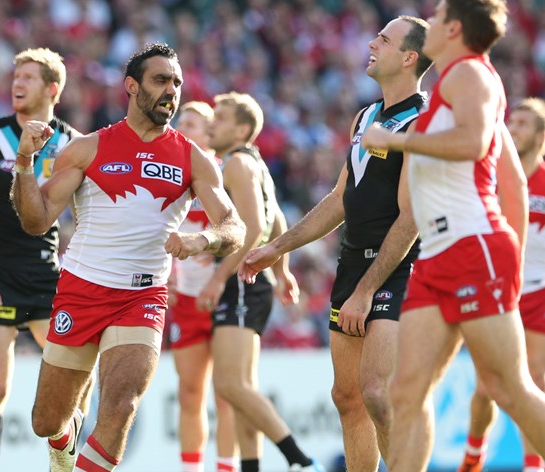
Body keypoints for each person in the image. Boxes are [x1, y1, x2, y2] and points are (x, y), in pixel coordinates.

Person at [12, 43, 245, 472]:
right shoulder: (88, 148)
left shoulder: (192, 157)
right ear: (131, 86)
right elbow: (36, 220)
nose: (171, 91)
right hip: (81, 290)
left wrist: (203, 240)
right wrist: (25, 162)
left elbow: (234, 226)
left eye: (176, 82)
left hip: (142, 297)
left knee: (121, 405)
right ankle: (65, 439)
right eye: (160, 81)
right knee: (46, 421)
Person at [239, 16, 432, 471]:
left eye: (383, 40)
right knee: (347, 398)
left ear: (408, 57)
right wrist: (278, 247)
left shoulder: (422, 124)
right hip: (351, 263)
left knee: (377, 392)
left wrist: (366, 291)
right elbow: (341, 198)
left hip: (399, 269)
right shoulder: (365, 117)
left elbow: (412, 218)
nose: (371, 43)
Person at [359, 1, 545, 469]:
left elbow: (472, 143)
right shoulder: (457, 84)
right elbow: (516, 184)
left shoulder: (470, 76)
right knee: (407, 390)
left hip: (472, 245)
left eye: (439, 16)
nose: (431, 22)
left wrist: (397, 139)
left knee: (509, 387)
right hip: (440, 255)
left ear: (455, 28)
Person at [0, 47, 85, 472]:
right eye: (16, 76)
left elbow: (87, 220)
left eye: (29, 77)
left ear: (52, 88)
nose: (17, 83)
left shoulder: (73, 144)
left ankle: (63, 455)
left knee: (78, 373)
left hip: (49, 278)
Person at [204, 92, 318, 472]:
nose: (211, 123)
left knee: (230, 386)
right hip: (257, 279)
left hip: (240, 281)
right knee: (242, 388)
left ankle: (299, 459)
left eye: (219, 118)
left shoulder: (236, 162)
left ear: (241, 129)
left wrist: (219, 278)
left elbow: (254, 226)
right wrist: (282, 272)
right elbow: (278, 222)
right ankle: (253, 466)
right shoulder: (257, 165)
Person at [457, 98, 545, 472]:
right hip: (496, 290)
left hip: (539, 291)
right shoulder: (491, 177)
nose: (514, 128)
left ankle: (532, 465)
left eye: (524, 123)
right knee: (486, 387)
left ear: (541, 136)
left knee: (534, 378)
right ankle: (474, 454)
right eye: (513, 121)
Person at [169, 101, 238, 472]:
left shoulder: (225, 173)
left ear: (210, 132)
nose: (183, 128)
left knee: (227, 393)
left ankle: (226, 466)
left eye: (192, 123)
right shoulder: (170, 173)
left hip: (223, 296)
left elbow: (248, 229)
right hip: (186, 301)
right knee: (189, 392)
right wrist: (166, 273)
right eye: (181, 122)